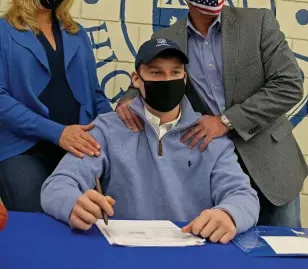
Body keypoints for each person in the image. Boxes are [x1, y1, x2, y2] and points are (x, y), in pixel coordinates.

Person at [116, 0, 307, 227]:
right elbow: (153, 74)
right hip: (212, 171)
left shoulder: (257, 23)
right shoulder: (168, 37)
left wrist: (226, 121)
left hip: (271, 167)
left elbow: (290, 85)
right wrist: (128, 99)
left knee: (278, 257)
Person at [41, 38, 259, 244]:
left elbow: (242, 195)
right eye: (156, 73)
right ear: (136, 79)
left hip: (193, 251)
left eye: (175, 72)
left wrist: (229, 214)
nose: (167, 81)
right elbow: (57, 185)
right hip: (124, 252)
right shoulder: (107, 129)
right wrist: (73, 204)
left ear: (184, 79)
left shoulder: (210, 137)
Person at [0, 0, 112, 212]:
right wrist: (58, 133)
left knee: (84, 225)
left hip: (79, 149)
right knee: (37, 224)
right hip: (23, 149)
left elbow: (95, 95)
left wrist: (112, 134)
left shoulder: (77, 33)